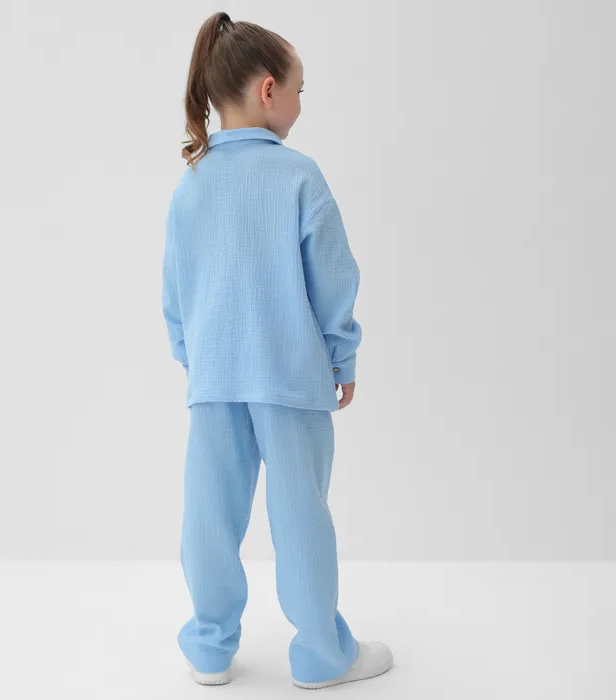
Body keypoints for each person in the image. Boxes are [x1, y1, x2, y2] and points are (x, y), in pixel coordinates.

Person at [161, 11, 393, 690]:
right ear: (269, 90)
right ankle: (320, 654)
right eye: (299, 89)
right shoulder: (298, 177)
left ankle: (209, 649)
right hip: (291, 377)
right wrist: (342, 357)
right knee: (300, 518)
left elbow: (176, 289)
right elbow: (334, 278)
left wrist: (193, 355)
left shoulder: (192, 183)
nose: (300, 102)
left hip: (215, 381)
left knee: (209, 517)